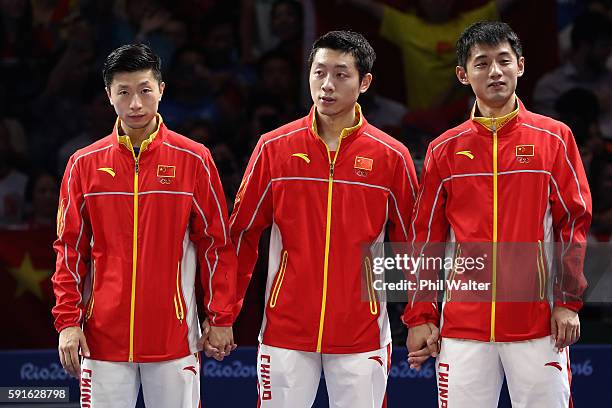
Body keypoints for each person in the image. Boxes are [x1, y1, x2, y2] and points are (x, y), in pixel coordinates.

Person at [403, 22, 591, 407]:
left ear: (520, 66)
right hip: (463, 328)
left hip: (537, 326)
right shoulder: (444, 150)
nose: (495, 72)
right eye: (482, 63)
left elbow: (573, 224)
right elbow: (426, 239)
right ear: (462, 74)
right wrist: (421, 314)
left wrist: (567, 302)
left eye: (504, 61)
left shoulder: (554, 139)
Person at [229, 30, 418, 407]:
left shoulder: (391, 156)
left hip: (363, 332)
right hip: (286, 330)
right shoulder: (274, 148)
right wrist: (222, 313)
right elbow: (242, 234)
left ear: (364, 82)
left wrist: (419, 316)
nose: (327, 85)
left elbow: (411, 243)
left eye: (341, 74)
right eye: (319, 72)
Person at [51, 43, 236, 408]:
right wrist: (68, 322)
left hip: (174, 336)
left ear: (161, 90)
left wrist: (220, 316)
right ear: (108, 95)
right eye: (124, 92)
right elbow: (69, 249)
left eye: (145, 91)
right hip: (102, 339)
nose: (135, 104)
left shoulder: (194, 160)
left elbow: (217, 243)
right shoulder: (83, 165)